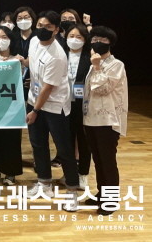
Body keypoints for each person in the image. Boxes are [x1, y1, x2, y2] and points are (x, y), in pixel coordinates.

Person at [26, 10, 79, 212]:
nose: (43, 29)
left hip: (54, 106)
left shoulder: (57, 55)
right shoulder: (34, 41)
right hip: (35, 100)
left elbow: (48, 88)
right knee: (38, 144)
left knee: (64, 149)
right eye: (40, 25)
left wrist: (35, 111)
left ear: (56, 30)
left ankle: (72, 191)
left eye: (48, 27)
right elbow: (31, 62)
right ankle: (44, 183)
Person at [83, 26, 128, 215]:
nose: (97, 43)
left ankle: (110, 201)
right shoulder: (95, 62)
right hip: (91, 119)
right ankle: (102, 194)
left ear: (110, 43)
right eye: (94, 39)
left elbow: (103, 89)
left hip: (108, 121)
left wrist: (96, 66)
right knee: (98, 159)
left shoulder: (116, 64)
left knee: (107, 161)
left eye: (102, 40)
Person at [0, 26, 23, 186]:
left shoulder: (18, 59)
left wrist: (21, 63)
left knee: (11, 139)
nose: (1, 41)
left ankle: (10, 172)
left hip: (12, 107)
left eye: (4, 37)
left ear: (11, 40)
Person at [63, 23, 92, 189]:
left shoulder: (90, 57)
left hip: (83, 106)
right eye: (71, 36)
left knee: (84, 141)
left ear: (85, 40)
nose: (74, 40)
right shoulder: (61, 55)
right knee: (66, 142)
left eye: (79, 37)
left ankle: (83, 175)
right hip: (64, 104)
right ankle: (69, 174)